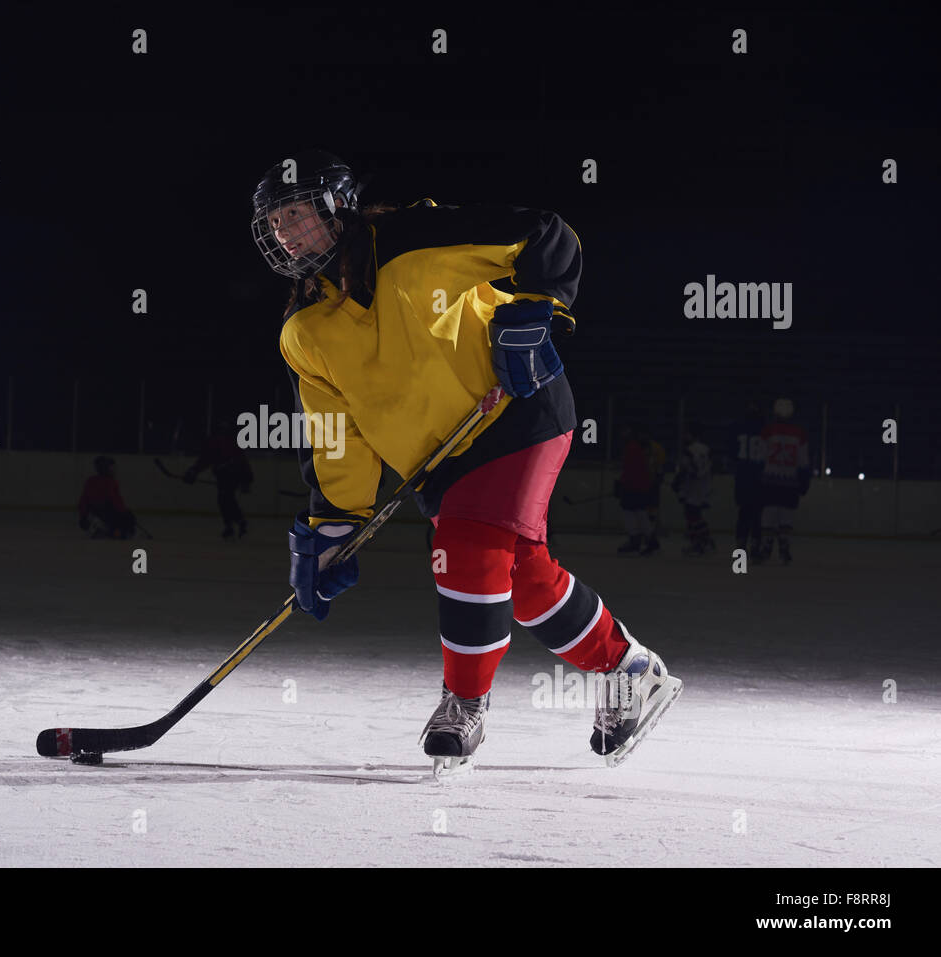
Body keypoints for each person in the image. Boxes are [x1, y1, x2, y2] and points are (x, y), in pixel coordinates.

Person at [252, 150, 682, 773]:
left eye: (296, 214)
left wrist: (535, 310)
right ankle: (632, 668)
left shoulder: (412, 240)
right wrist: (332, 526)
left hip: (514, 409)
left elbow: (544, 233)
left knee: (470, 547)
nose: (286, 233)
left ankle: (464, 704)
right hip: (442, 461)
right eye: (275, 224)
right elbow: (336, 436)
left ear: (337, 207)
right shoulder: (303, 331)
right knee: (523, 579)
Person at [754, 398, 810, 564]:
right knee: (786, 515)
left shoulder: (768, 431)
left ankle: (766, 547)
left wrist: (757, 477)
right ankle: (784, 548)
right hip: (790, 480)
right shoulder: (800, 433)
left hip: (770, 479)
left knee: (769, 514)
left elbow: (760, 457)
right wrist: (804, 480)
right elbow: (803, 461)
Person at [183, 422, 254, 539]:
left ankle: (233, 524)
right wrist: (194, 471)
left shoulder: (223, 442)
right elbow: (206, 459)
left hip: (231, 475)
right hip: (225, 476)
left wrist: (247, 480)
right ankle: (236, 523)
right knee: (226, 499)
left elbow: (240, 461)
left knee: (224, 498)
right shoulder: (221, 442)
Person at [671, 422, 715, 556]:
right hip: (704, 485)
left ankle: (702, 541)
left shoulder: (689, 450)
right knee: (694, 514)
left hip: (692, 486)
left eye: (687, 434)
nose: (684, 436)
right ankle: (700, 541)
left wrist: (676, 482)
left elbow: (686, 468)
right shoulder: (706, 449)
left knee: (691, 514)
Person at [613, 424, 655, 555]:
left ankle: (637, 540)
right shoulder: (637, 448)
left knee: (631, 513)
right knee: (639, 513)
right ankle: (648, 541)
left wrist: (622, 483)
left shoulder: (632, 448)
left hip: (633, 487)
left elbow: (630, 470)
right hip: (639, 486)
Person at [731, 400, 766, 553]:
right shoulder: (764, 430)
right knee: (757, 514)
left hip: (743, 475)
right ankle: (755, 547)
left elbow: (732, 453)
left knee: (743, 513)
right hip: (759, 476)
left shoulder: (738, 429)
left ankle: (741, 550)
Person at [77, 455, 136, 539]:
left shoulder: (91, 480)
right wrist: (126, 513)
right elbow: (117, 501)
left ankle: (102, 529)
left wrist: (83, 515)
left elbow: (83, 501)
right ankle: (113, 532)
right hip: (106, 515)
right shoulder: (110, 482)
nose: (112, 470)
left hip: (92, 514)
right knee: (128, 518)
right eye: (110, 467)